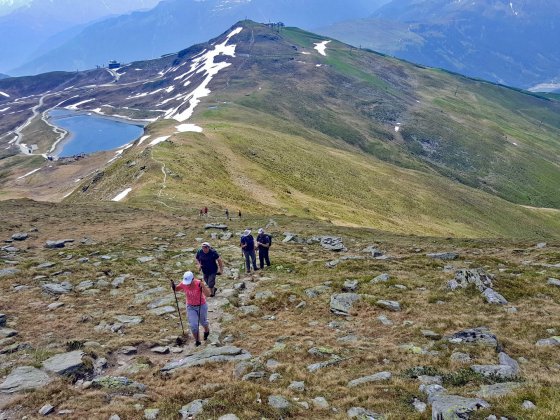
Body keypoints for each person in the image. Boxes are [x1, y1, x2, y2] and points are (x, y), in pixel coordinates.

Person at [170, 271, 211, 346]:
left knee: (203, 322)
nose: (187, 284)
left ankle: (206, 331)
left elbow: (208, 294)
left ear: (193, 279)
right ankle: (197, 341)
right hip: (190, 307)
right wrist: (173, 286)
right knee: (193, 326)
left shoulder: (198, 283)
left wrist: (203, 286)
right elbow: (176, 289)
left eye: (189, 282)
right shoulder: (183, 283)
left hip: (201, 305)